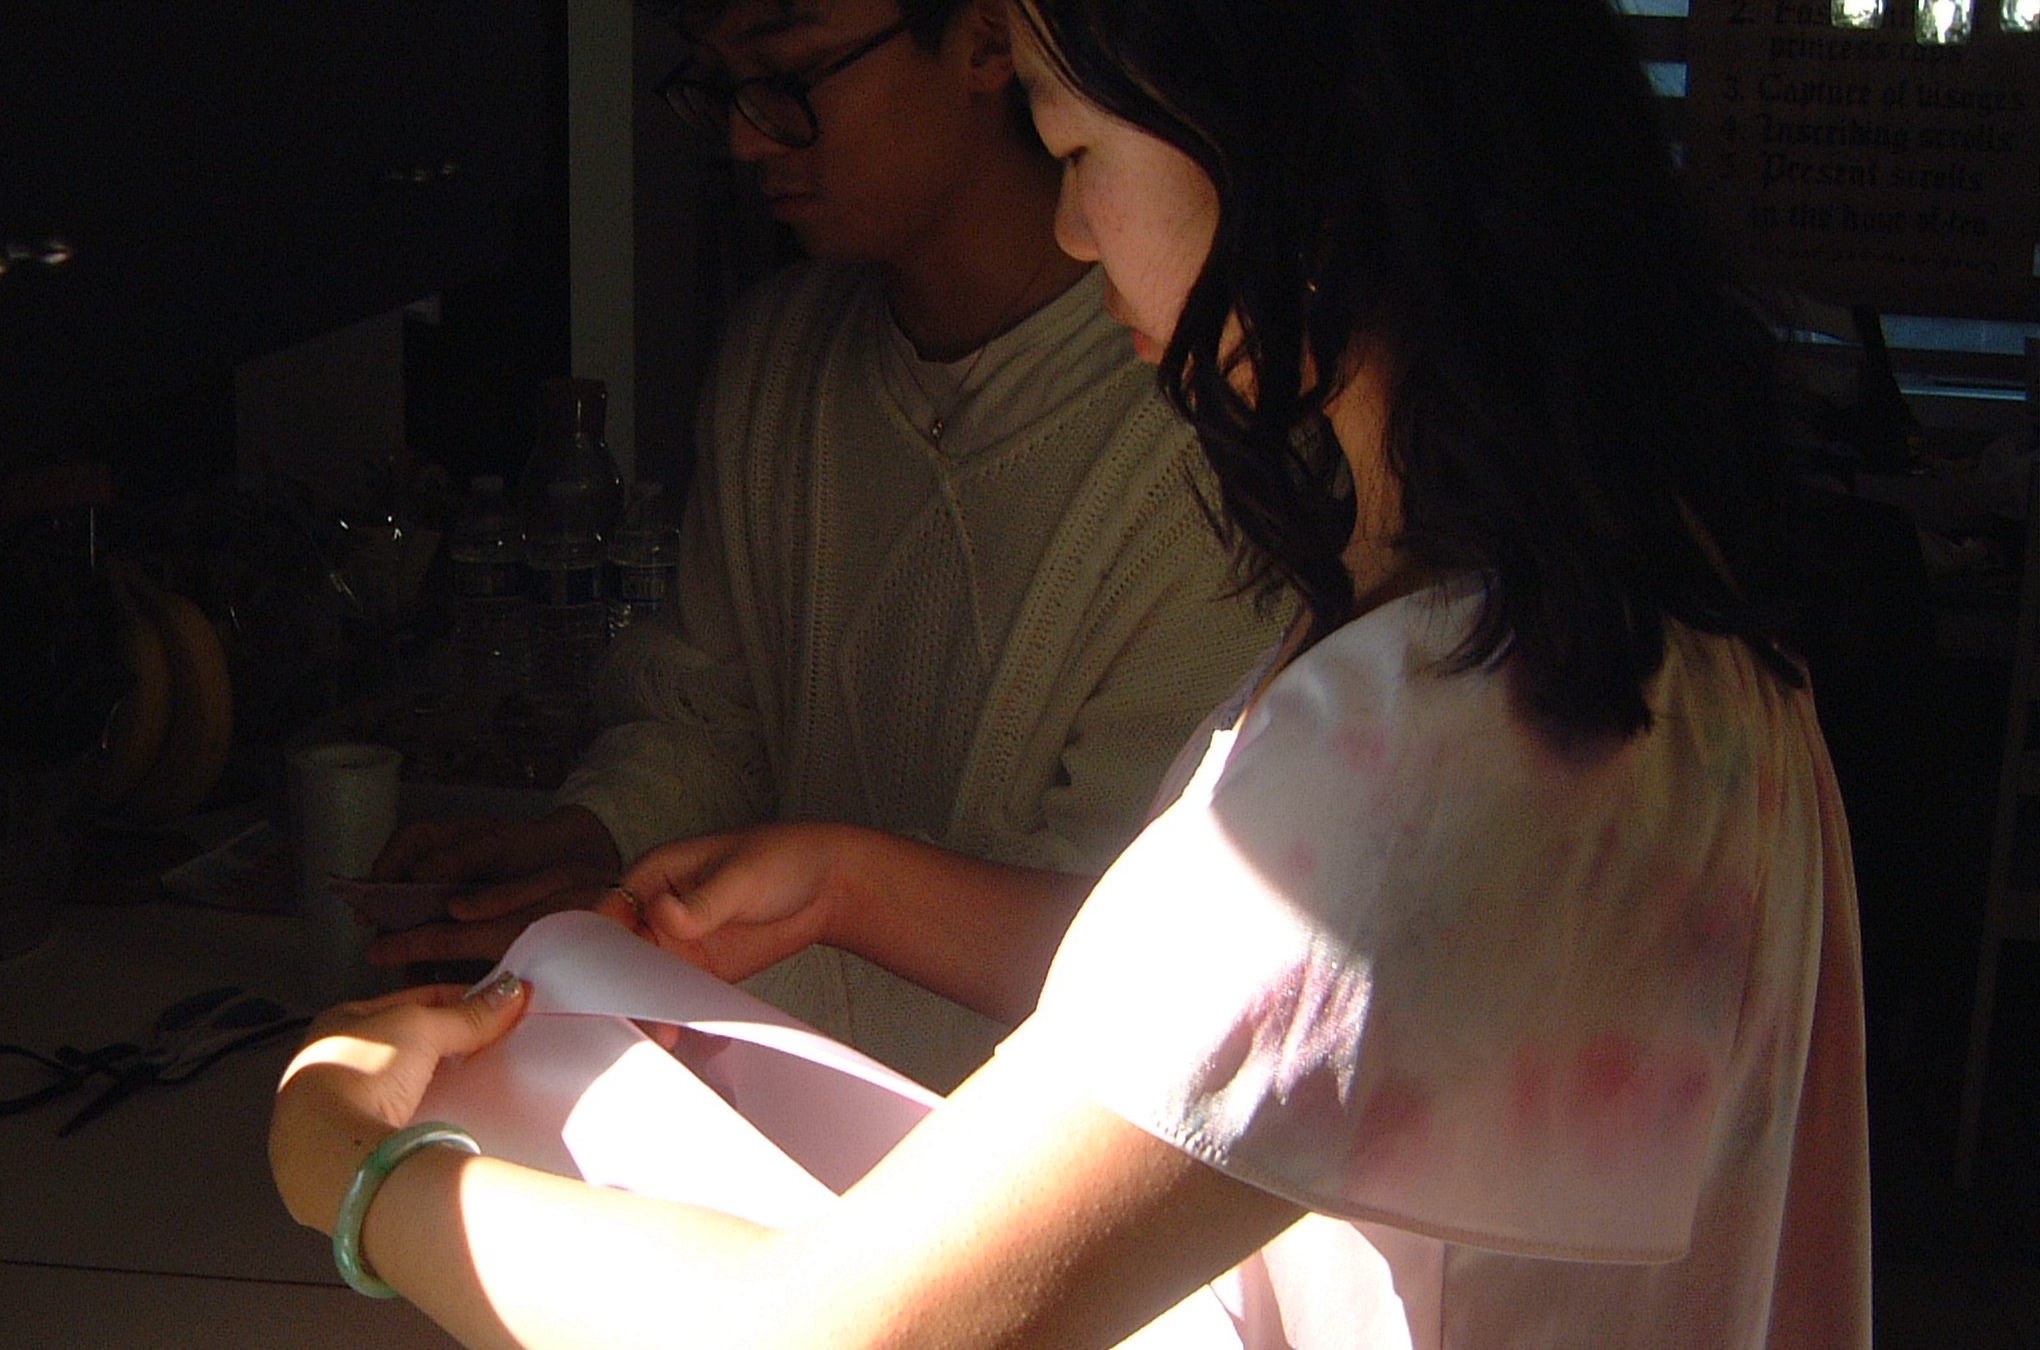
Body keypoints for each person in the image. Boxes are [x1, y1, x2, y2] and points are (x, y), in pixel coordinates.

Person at [270, 0, 1873, 1342]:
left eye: (1079, 145)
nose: (1069, 220)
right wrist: (860, 883)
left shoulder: (1428, 745)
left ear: (1282, 146)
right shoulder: (1643, 625)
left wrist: (347, 1154)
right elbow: (1284, 1032)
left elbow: (822, 1333)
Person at [368, 0, 1286, 1090]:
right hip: (753, 1112)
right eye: (720, 86)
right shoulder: (779, 362)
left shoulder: (1211, 442)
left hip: (1013, 1141)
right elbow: (710, 722)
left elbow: (1123, 963)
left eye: (789, 75)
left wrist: (648, 955)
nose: (745, 137)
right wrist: (597, 841)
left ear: (988, 42)